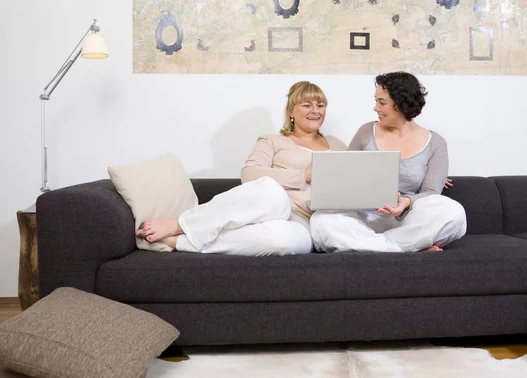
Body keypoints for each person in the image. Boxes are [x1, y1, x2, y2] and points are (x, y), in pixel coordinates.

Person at [136, 81, 346, 255]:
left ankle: (180, 242)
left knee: (290, 242)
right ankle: (180, 224)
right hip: (276, 209)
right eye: (307, 105)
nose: (315, 111)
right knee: (270, 191)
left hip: (309, 223)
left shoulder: (337, 145)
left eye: (320, 105)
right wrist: (302, 176)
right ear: (291, 111)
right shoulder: (273, 141)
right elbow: (250, 174)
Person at [310, 72, 467, 253]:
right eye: (376, 101)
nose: (375, 108)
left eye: (382, 102)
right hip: (363, 217)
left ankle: (369, 247)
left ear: (400, 103)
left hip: (407, 220)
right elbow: (347, 174)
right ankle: (404, 250)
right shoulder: (366, 131)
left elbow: (430, 193)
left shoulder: (435, 142)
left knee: (453, 212)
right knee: (321, 221)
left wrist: (406, 201)